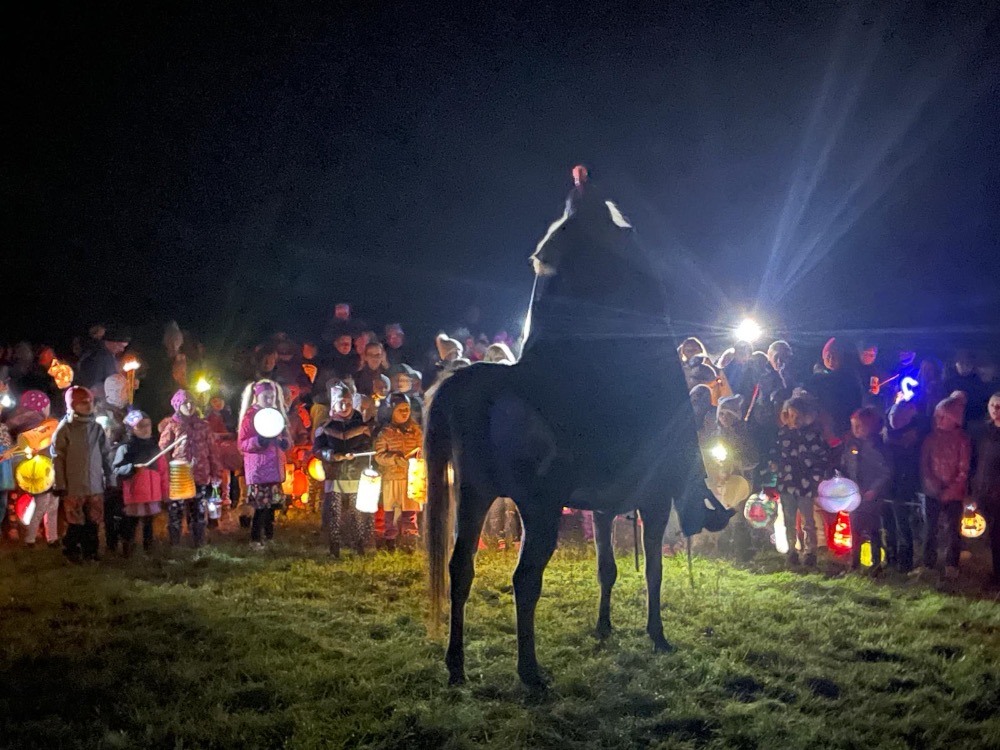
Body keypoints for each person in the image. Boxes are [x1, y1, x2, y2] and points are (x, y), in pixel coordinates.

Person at [313, 380, 374, 557]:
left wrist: (357, 454)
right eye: (341, 402)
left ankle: (359, 544)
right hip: (335, 474)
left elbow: (368, 447)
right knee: (334, 511)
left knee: (357, 511)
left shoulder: (361, 426)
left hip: (356, 473)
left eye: (348, 402)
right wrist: (331, 455)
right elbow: (317, 450)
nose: (345, 406)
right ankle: (334, 545)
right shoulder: (325, 427)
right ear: (334, 404)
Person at [767, 395, 830, 567]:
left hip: (805, 484)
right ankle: (792, 550)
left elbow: (821, 457)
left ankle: (810, 552)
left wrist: (816, 477)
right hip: (787, 483)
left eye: (798, 416)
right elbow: (774, 453)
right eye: (792, 415)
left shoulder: (813, 436)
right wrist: (774, 466)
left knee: (808, 520)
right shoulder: (782, 435)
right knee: (788, 518)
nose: (795, 420)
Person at [53, 386, 111, 562]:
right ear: (73, 405)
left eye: (90, 402)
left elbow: (106, 455)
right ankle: (71, 549)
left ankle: (90, 551)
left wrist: (110, 479)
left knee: (93, 520)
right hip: (74, 485)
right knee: (75, 521)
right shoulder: (65, 429)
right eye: (83, 403)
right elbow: (58, 458)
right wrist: (60, 484)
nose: (88, 406)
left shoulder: (97, 428)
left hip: (94, 484)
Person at [917, 392, 972, 579]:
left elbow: (964, 469)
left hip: (954, 494)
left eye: (942, 416)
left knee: (953, 530)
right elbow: (924, 465)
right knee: (930, 528)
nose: (938, 420)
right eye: (937, 416)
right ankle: (928, 562)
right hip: (932, 492)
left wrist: (951, 489)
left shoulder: (962, 440)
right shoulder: (931, 439)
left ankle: (951, 564)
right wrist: (932, 484)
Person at [158, 389, 222, 548]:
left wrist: (216, 472)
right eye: (185, 403)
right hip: (179, 476)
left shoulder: (203, 426)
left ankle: (198, 542)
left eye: (192, 402)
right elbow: (164, 451)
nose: (189, 405)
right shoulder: (173, 426)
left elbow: (212, 450)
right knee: (176, 510)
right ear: (177, 406)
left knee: (198, 510)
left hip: (200, 475)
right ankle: (175, 543)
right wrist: (165, 475)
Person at [238, 380, 291, 549]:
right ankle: (255, 538)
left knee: (271, 507)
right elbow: (242, 444)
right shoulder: (250, 417)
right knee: (260, 507)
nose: (269, 400)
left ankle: (269, 536)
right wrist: (259, 441)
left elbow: (286, 437)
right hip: (260, 470)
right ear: (257, 396)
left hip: (274, 469)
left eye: (272, 397)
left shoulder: (276, 415)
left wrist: (285, 444)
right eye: (265, 397)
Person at [840, 407, 892, 572]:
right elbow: (845, 466)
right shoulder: (851, 446)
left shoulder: (877, 449)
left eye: (859, 426)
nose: (855, 430)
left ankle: (876, 562)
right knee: (854, 529)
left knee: (873, 529)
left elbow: (885, 471)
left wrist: (874, 489)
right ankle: (854, 562)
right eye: (853, 426)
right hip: (855, 495)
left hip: (871, 497)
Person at [112, 410, 168, 556]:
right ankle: (128, 549)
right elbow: (116, 469)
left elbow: (162, 471)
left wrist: (164, 491)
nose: (145, 429)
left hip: (152, 494)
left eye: (148, 425)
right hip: (135, 495)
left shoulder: (154, 448)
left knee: (148, 523)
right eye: (140, 426)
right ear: (131, 429)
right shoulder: (126, 448)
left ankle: (149, 548)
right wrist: (132, 468)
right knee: (131, 522)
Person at [883, 400, 929, 573]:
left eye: (901, 417)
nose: (896, 420)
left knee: (904, 524)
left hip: (907, 484)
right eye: (894, 416)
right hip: (888, 484)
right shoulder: (885, 435)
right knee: (888, 525)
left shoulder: (917, 436)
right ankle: (890, 558)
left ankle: (905, 561)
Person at [374, 394, 423, 551]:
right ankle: (390, 540)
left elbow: (422, 448)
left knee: (410, 510)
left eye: (407, 410)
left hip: (412, 478)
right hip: (392, 478)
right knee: (391, 511)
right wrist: (394, 459)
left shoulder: (415, 431)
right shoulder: (385, 433)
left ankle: (409, 538)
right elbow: (379, 456)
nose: (404, 413)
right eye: (400, 409)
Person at [973, 392, 1000, 585]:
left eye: (999, 406)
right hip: (985, 489)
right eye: (992, 405)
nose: (995, 410)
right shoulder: (983, 431)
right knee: (993, 534)